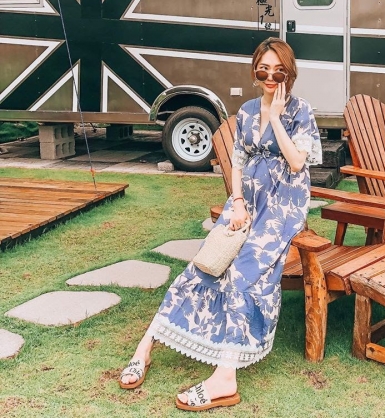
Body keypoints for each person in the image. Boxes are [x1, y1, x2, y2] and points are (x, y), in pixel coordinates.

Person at [119, 37, 322, 411]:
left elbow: (297, 163)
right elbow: (239, 162)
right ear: (255, 72)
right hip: (247, 201)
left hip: (283, 206)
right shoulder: (246, 111)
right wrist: (238, 202)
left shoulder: (301, 111)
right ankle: (145, 347)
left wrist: (276, 117)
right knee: (203, 266)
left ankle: (225, 378)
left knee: (243, 274)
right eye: (264, 70)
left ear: (290, 74)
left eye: (279, 71)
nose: (271, 77)